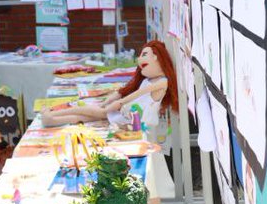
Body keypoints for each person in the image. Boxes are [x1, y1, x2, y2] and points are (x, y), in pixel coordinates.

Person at [39, 40, 177, 134]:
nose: (139, 59)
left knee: (96, 111)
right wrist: (117, 100)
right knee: (90, 116)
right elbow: (134, 92)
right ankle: (53, 119)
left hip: (133, 118)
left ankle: (53, 115)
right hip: (128, 114)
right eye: (140, 55)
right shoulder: (148, 79)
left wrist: (119, 102)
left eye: (144, 55)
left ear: (157, 57)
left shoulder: (162, 82)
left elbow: (139, 93)